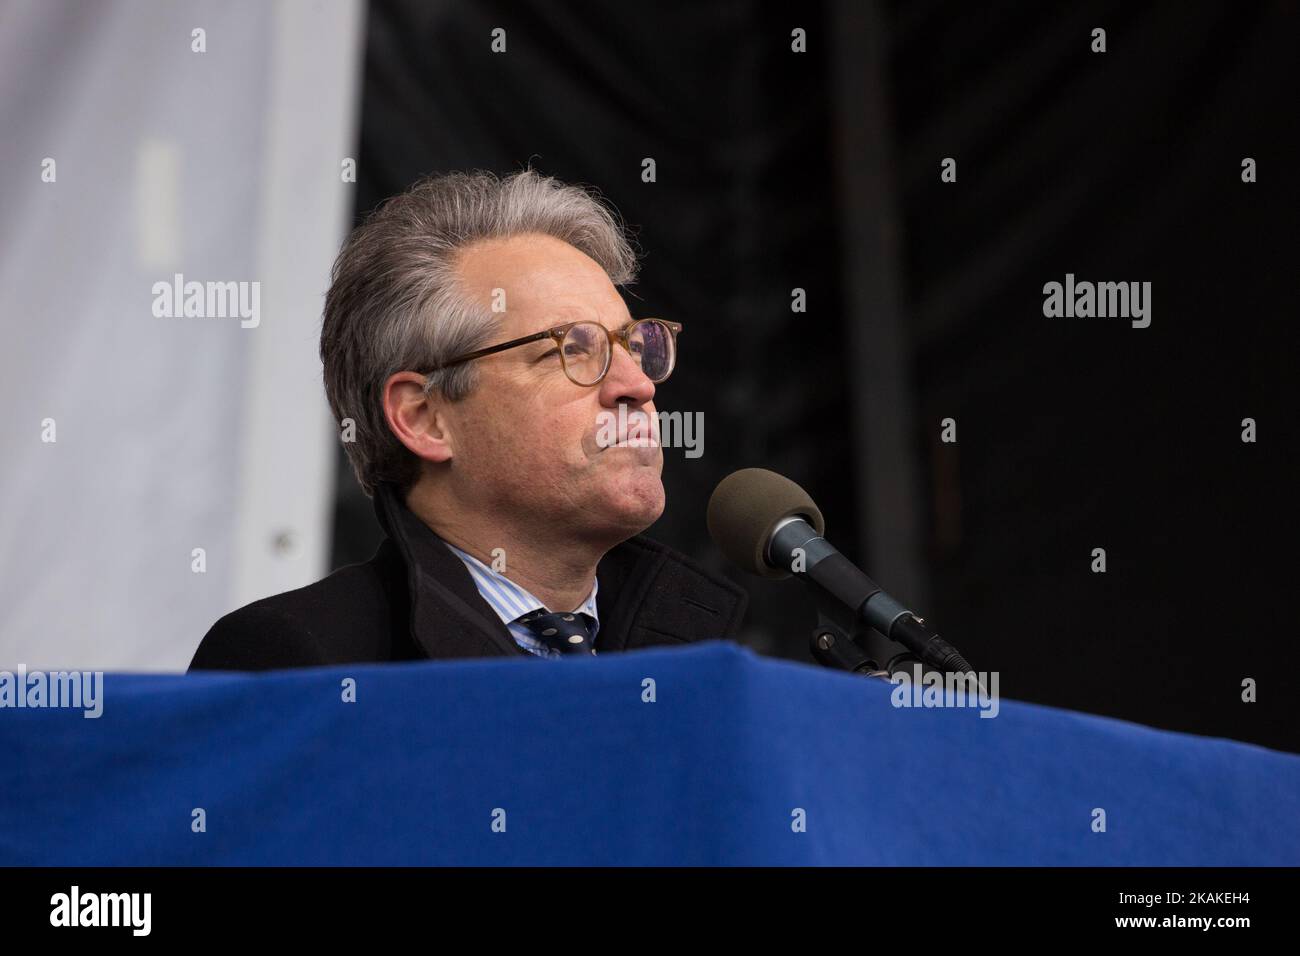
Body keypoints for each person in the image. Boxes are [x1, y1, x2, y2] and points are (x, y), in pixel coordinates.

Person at [189, 168, 746, 670]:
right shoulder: (298, 661)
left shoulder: (701, 664)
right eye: (574, 349)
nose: (639, 386)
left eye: (634, 344)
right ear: (425, 417)